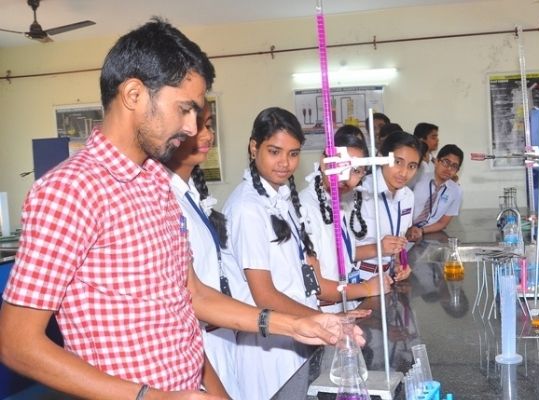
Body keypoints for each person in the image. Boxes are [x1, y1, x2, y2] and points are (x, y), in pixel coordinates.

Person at [0, 19, 355, 399]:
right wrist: (151, 397)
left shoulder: (157, 182)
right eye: (185, 109)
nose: (190, 127)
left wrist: (294, 325)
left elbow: (193, 298)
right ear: (134, 94)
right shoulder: (70, 190)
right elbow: (17, 343)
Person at [223, 106, 345, 398]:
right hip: (267, 347)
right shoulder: (247, 207)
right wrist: (323, 322)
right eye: (274, 151)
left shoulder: (280, 198)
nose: (285, 163)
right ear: (254, 148)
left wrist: (322, 318)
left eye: (293, 154)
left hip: (295, 334)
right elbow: (264, 295)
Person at [164, 103, 242, 398]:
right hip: (197, 342)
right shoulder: (165, 198)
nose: (207, 135)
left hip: (221, 334)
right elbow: (191, 294)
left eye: (209, 126)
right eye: (199, 126)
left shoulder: (191, 195)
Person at [299, 126, 393, 313]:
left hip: (345, 304)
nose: (348, 177)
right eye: (342, 166)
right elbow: (316, 285)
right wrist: (367, 288)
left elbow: (341, 253)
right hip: (321, 313)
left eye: (357, 171)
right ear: (325, 163)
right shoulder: (305, 208)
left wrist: (381, 249)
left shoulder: (341, 201)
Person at [356, 131, 425, 282]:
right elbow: (337, 253)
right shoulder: (360, 191)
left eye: (412, 166)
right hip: (358, 278)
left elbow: (399, 239)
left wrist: (401, 262)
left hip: (388, 278)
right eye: (398, 162)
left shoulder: (408, 196)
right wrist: (378, 249)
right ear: (381, 157)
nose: (404, 173)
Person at [406, 144, 464, 241]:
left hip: (427, 234)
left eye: (454, 166)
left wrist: (421, 231)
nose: (449, 169)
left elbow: (443, 223)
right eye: (446, 162)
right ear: (436, 161)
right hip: (403, 229)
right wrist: (407, 228)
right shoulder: (418, 178)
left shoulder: (456, 191)